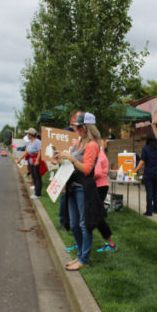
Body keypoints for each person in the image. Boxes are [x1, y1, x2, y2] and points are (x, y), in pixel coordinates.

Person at [56, 112, 102, 271]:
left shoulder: (92, 145)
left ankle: (84, 258)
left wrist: (72, 159)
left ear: (86, 128)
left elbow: (87, 170)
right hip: (72, 187)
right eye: (76, 127)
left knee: (84, 224)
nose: (76, 130)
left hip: (83, 188)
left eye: (79, 127)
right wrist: (60, 158)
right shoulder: (78, 143)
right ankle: (80, 254)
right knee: (74, 224)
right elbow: (70, 163)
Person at [60, 110, 82, 230]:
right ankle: (64, 222)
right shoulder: (66, 133)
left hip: (77, 171)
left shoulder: (81, 134)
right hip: (66, 168)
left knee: (72, 196)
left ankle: (72, 222)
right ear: (72, 120)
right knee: (66, 196)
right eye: (79, 118)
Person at [94, 142, 117, 252]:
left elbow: (97, 173)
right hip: (100, 186)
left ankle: (111, 244)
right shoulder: (99, 153)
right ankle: (81, 243)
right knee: (91, 216)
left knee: (96, 217)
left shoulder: (98, 154)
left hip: (99, 187)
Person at [133, 133, 157, 216]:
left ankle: (149, 211)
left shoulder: (145, 149)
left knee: (149, 193)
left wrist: (135, 170)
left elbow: (142, 161)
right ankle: (156, 209)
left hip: (148, 174)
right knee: (155, 192)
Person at [17, 128, 41, 198]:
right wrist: (20, 159)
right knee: (33, 176)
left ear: (31, 135)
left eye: (28, 134)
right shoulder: (30, 142)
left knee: (37, 177)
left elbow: (40, 152)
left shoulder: (37, 142)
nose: (27, 135)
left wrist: (37, 161)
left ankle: (38, 194)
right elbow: (26, 152)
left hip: (35, 161)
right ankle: (36, 192)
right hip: (31, 162)